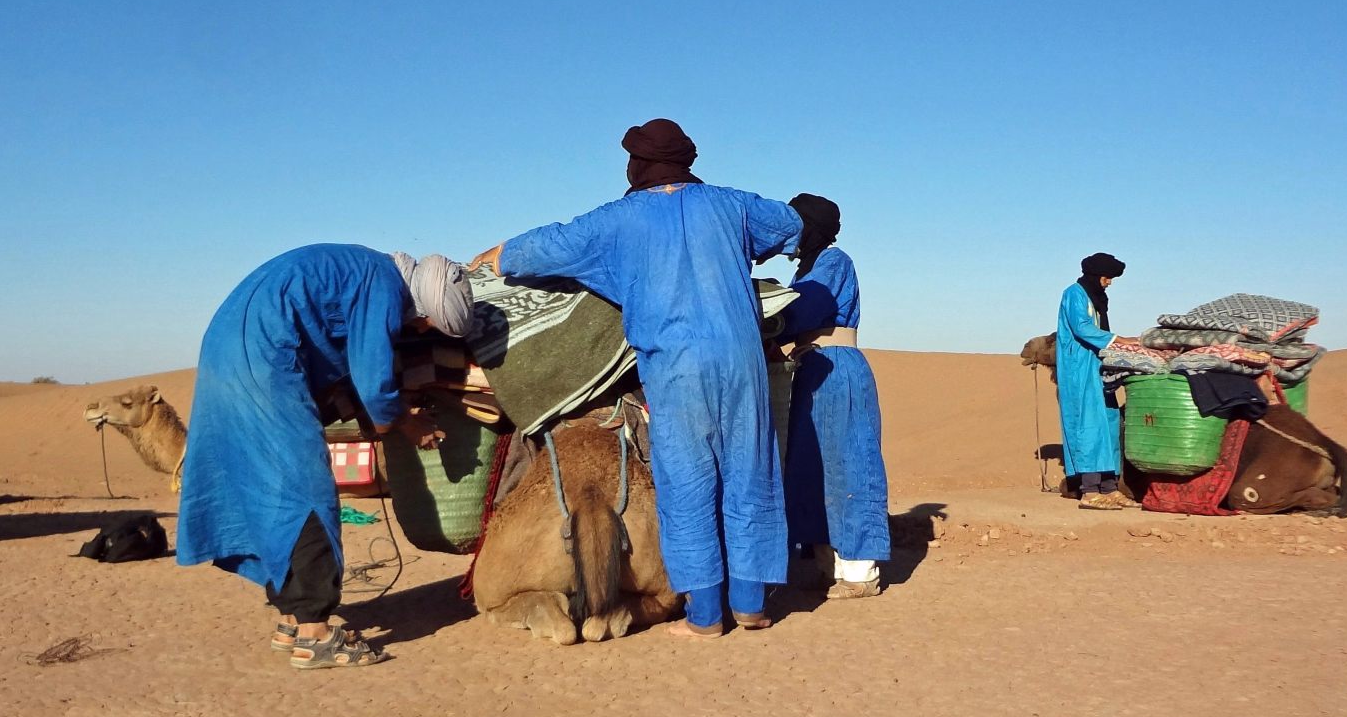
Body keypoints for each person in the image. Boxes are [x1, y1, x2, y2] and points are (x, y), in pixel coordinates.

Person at [470, 119, 803, 638]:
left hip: (674, 367)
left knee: (687, 482)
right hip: (741, 363)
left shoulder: (618, 219)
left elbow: (552, 244)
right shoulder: (733, 204)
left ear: (638, 165)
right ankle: (751, 606)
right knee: (750, 471)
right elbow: (788, 224)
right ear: (686, 161)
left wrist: (503, 253)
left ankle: (705, 616)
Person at [177, 244, 471, 669]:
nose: (420, 330)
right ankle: (316, 635)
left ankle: (292, 620)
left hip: (229, 346)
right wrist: (407, 422)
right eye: (428, 323)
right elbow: (374, 384)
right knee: (306, 489)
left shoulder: (363, 266)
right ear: (425, 305)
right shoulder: (383, 284)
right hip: (266, 354)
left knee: (271, 486)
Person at [779, 194, 890, 599]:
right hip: (811, 368)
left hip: (837, 368)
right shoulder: (808, 267)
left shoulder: (833, 261)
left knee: (849, 463)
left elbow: (808, 309)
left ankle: (861, 573)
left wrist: (763, 313)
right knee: (811, 466)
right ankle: (829, 564)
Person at [1057, 252, 1143, 511]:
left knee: (1108, 422)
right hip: (1079, 367)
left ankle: (1110, 488)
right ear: (1097, 275)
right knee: (1089, 425)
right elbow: (1082, 328)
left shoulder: (1096, 299)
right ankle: (1090, 491)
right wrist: (1119, 340)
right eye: (1107, 278)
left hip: (1099, 367)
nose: (1109, 283)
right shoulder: (1075, 293)